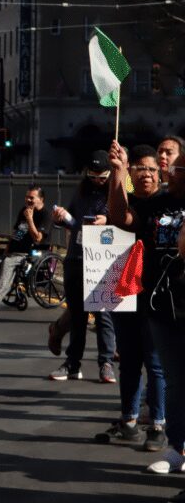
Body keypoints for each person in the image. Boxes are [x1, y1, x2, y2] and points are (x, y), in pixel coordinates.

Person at [107, 140, 185, 475]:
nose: (167, 169)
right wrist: (119, 173)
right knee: (174, 379)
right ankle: (178, 448)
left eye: (175, 165)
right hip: (162, 304)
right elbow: (120, 216)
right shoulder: (158, 203)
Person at [88, 145, 166, 449]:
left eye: (151, 169)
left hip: (158, 294)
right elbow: (120, 217)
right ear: (132, 173)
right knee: (130, 360)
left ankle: (157, 426)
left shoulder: (169, 203)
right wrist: (118, 171)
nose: (146, 174)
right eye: (139, 169)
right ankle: (129, 420)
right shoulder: (126, 200)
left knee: (155, 363)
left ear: (159, 173)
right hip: (125, 292)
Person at [48, 151, 116, 383]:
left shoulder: (116, 194)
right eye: (93, 176)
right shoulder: (81, 193)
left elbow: (127, 220)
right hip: (77, 257)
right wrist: (61, 217)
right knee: (78, 315)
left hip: (102, 260)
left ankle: (106, 362)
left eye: (102, 177)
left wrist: (107, 220)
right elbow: (72, 222)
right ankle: (72, 364)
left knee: (103, 314)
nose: (97, 181)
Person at [0, 185, 52, 311]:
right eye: (26, 197)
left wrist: (30, 219)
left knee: (8, 263)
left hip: (31, 254)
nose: (28, 200)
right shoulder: (25, 210)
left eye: (31, 198)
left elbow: (38, 239)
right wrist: (7, 250)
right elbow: (18, 233)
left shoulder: (45, 215)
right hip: (13, 253)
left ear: (41, 199)